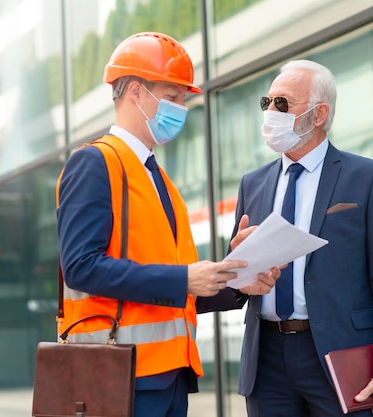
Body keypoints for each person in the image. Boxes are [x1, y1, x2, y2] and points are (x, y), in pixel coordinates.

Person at [55, 32, 278, 417]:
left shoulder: (160, 181)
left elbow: (176, 288)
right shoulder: (95, 163)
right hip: (119, 376)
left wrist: (236, 278)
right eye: (173, 97)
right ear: (137, 93)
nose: (181, 108)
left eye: (183, 100)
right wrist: (184, 280)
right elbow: (80, 267)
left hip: (169, 377)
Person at [228, 59, 373, 416]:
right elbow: (234, 284)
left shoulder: (368, 178)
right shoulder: (251, 184)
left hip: (342, 358)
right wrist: (236, 270)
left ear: (319, 115)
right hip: (266, 362)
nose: (271, 113)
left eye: (282, 104)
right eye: (266, 103)